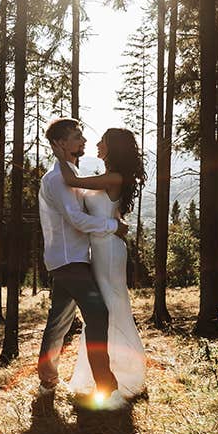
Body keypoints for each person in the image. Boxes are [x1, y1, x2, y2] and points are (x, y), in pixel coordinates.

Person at [36, 118, 130, 410]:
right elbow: (75, 219)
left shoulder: (71, 172)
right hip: (68, 261)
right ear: (62, 143)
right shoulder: (55, 179)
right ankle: (107, 388)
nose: (84, 142)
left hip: (74, 259)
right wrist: (112, 227)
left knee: (60, 321)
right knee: (97, 313)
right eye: (78, 137)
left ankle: (46, 381)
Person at [51, 127, 148, 401]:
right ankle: (106, 371)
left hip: (108, 250)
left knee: (109, 307)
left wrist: (61, 155)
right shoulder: (108, 177)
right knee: (102, 309)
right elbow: (94, 199)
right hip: (102, 246)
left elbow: (71, 180)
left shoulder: (113, 177)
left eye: (102, 141)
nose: (96, 144)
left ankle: (121, 372)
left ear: (112, 148)